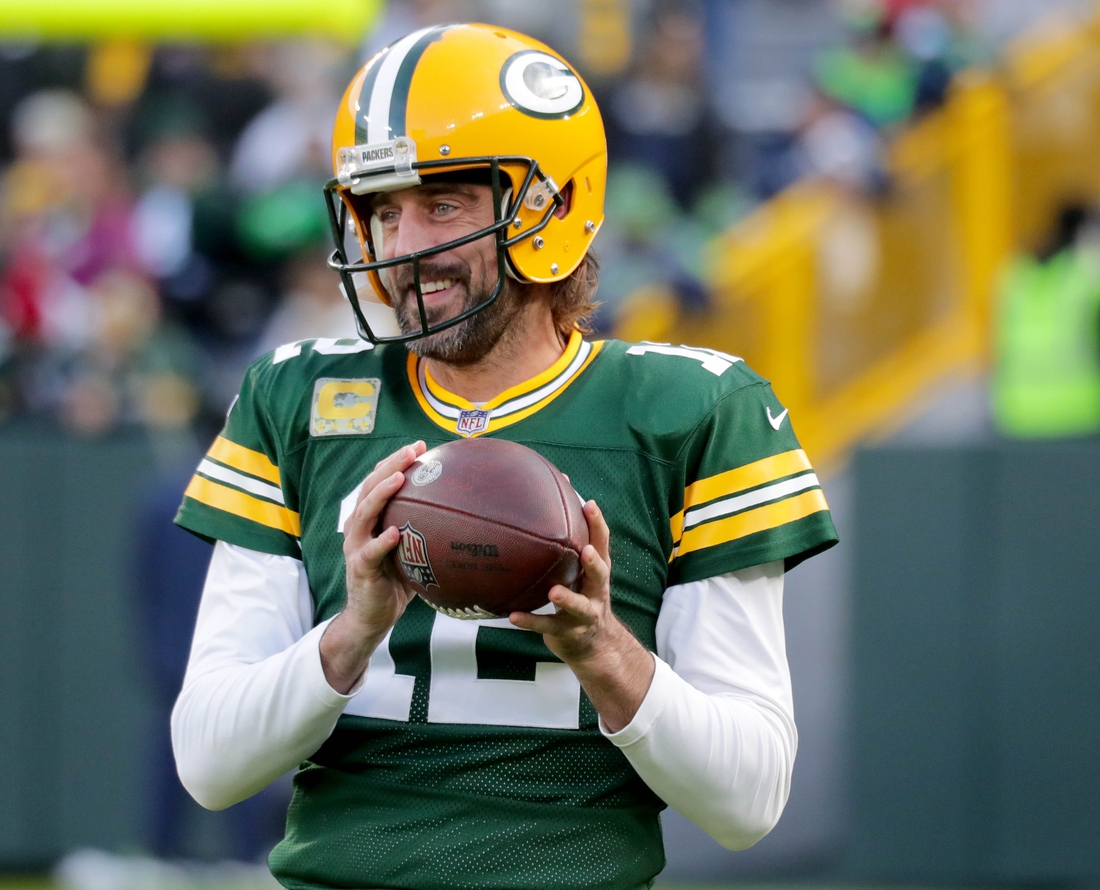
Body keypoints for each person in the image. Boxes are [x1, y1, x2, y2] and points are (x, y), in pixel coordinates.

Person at [171, 24, 839, 890]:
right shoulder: (299, 398)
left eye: (442, 204)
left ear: (550, 205)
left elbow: (745, 800)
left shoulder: (690, 411)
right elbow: (210, 763)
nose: (402, 247)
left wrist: (602, 649)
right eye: (380, 210)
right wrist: (353, 631)